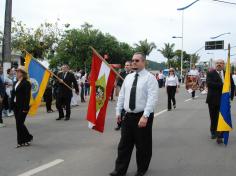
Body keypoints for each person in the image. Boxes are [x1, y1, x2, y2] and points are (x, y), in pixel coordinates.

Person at [110, 52, 159, 176]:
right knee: (124, 145)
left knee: (143, 146)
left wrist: (145, 116)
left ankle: (141, 169)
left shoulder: (150, 78)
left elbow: (152, 99)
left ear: (143, 62)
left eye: (137, 60)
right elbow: (122, 96)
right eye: (133, 60)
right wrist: (118, 111)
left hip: (142, 116)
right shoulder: (128, 77)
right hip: (128, 116)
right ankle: (119, 170)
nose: (134, 63)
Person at [206, 59, 235, 144]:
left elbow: (232, 85)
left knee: (222, 117)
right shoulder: (210, 73)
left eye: (221, 63)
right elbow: (209, 84)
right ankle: (213, 131)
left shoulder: (227, 73)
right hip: (212, 99)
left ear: (224, 65)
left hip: (223, 100)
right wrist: (223, 85)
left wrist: (232, 96)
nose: (219, 64)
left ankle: (220, 134)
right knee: (213, 117)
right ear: (215, 64)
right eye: (217, 63)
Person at [11, 66, 33, 148]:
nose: (16, 73)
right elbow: (14, 94)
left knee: (19, 123)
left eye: (18, 71)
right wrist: (11, 104)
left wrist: (25, 108)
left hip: (23, 106)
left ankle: (20, 141)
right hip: (16, 106)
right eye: (16, 71)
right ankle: (27, 138)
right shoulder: (16, 82)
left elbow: (27, 97)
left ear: (22, 73)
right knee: (19, 124)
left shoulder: (26, 83)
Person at [115, 61, 132, 131]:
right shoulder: (122, 73)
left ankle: (128, 125)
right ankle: (119, 124)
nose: (126, 66)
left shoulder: (133, 74)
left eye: (128, 65)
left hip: (130, 94)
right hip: (122, 94)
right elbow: (118, 82)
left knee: (128, 110)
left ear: (131, 66)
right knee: (120, 109)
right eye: (125, 65)